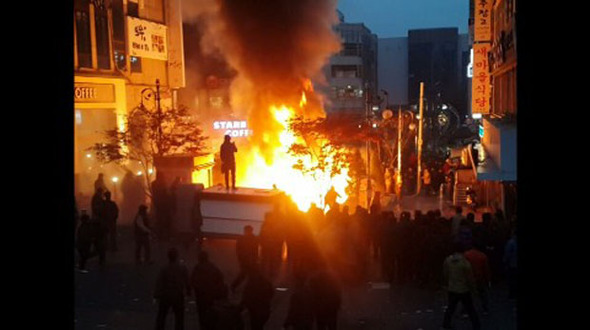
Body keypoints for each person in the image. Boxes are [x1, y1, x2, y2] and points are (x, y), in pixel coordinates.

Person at [442, 242, 480, 330]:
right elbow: (470, 278)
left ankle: (446, 324)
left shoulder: (448, 260)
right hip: (464, 289)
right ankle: (476, 325)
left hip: (452, 288)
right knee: (470, 309)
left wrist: (447, 284)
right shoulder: (465, 263)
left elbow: (445, 273)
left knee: (450, 308)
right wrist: (474, 290)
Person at [154, 247, 190, 330]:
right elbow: (187, 280)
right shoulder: (182, 268)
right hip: (178, 295)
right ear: (177, 256)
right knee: (179, 317)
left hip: (166, 295)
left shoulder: (164, 268)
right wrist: (188, 290)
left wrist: (157, 294)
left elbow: (159, 282)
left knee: (162, 316)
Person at [190, 251, 227, 330]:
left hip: (201, 297)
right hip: (211, 297)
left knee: (202, 317)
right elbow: (221, 278)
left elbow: (192, 282)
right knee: (211, 316)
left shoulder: (197, 268)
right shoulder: (213, 267)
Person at [239, 266, 274, 330]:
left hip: (256, 312)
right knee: (259, 326)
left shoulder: (251, 284)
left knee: (255, 326)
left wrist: (239, 309)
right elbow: (271, 293)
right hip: (265, 311)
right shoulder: (266, 282)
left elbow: (245, 298)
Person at [464, 242, 491, 314]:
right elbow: (486, 269)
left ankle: (465, 310)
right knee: (483, 294)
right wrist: (488, 280)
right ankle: (485, 309)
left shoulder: (466, 254)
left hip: (469, 277)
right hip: (480, 277)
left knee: (467, 294)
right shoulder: (483, 256)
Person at [231, 225, 260, 292]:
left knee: (243, 275)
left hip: (245, 260)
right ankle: (251, 289)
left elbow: (238, 250)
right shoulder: (254, 239)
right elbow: (255, 250)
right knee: (251, 275)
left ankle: (234, 286)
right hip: (251, 260)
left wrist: (240, 259)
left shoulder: (241, 239)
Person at [503, 227, 517, 299]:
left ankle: (512, 294)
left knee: (512, 280)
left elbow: (507, 254)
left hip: (512, 264)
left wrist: (505, 261)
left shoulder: (511, 242)